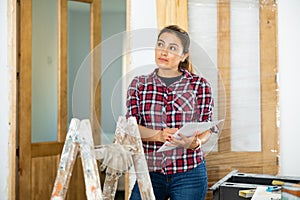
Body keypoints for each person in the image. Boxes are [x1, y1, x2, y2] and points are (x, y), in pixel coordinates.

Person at [126, 25, 216, 200]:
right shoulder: (139, 84)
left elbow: (208, 127)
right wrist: (160, 135)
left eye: (172, 48)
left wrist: (195, 142)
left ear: (184, 55)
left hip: (189, 174)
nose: (164, 51)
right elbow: (132, 128)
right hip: (151, 172)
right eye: (160, 44)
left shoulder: (199, 85)